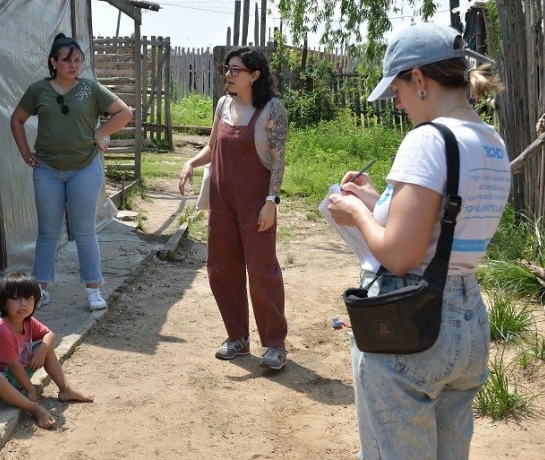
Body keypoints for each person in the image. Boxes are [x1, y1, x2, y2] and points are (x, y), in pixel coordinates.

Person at [327, 23, 510, 459]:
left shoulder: (426, 140)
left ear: (420, 80)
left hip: (410, 325)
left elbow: (401, 254)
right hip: (467, 322)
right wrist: (377, 200)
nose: (399, 105)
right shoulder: (490, 142)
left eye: (398, 92)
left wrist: (353, 212)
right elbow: (445, 225)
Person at [178, 47, 290, 370]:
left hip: (258, 204)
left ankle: (275, 345)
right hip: (223, 201)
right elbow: (212, 147)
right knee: (221, 268)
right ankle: (237, 338)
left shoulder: (272, 109)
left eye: (235, 70)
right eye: (227, 69)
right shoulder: (223, 105)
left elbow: (279, 160)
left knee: (261, 271)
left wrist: (272, 201)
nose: (228, 74)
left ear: (254, 75)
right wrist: (190, 163)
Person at [10, 33, 133, 311]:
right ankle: (39, 289)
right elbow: (17, 120)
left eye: (78, 60)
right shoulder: (38, 89)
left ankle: (93, 289)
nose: (73, 65)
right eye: (67, 60)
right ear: (53, 62)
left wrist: (100, 132)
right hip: (47, 170)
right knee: (47, 231)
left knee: (84, 230)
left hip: (84, 170)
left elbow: (124, 113)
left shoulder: (90, 89)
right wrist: (25, 153)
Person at [0, 272, 93, 429]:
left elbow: (50, 335)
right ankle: (34, 409)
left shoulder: (27, 321)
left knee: (46, 348)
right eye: (16, 298)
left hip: (18, 372)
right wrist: (30, 390)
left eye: (29, 298)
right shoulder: (1, 330)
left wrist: (42, 350)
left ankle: (66, 389)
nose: (23, 303)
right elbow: (13, 366)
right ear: (4, 303)